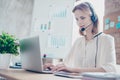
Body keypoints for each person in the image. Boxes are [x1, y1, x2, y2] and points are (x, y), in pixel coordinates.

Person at [44, 2, 116, 73]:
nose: (79, 22)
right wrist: (54, 67)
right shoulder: (78, 41)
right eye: (77, 19)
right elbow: (66, 63)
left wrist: (72, 69)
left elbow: (109, 69)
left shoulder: (107, 40)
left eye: (82, 18)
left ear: (93, 18)